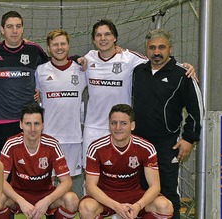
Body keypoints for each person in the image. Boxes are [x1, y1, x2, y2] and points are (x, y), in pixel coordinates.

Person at [80, 19, 195, 152]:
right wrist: (75, 58)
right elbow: (69, 66)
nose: (103, 38)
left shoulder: (129, 58)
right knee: (91, 172)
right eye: (98, 35)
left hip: (121, 128)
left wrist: (184, 67)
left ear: (115, 38)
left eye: (107, 34)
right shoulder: (88, 59)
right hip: (93, 129)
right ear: (94, 40)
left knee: (121, 171)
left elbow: (159, 60)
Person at [132, 29, 203, 219]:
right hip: (138, 142)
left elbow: (197, 111)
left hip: (167, 144)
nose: (157, 52)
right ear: (146, 50)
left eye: (161, 47)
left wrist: (189, 139)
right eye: (152, 48)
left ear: (170, 49)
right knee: (139, 191)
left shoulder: (182, 74)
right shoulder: (138, 72)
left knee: (168, 191)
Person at [79, 104, 173, 219]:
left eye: (123, 123)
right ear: (109, 125)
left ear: (132, 125)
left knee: (165, 206)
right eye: (114, 123)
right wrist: (116, 206)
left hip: (134, 196)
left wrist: (138, 206)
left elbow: (155, 186)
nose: (118, 128)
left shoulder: (146, 147)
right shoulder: (96, 148)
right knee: (86, 207)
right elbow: (91, 187)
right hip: (106, 196)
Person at [0, 11, 49, 156]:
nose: (14, 31)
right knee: (4, 169)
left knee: (29, 168)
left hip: (29, 121)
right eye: (10, 27)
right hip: (0, 121)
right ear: (2, 30)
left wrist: (76, 59)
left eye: (18, 26)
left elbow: (53, 68)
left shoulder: (34, 50)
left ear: (23, 29)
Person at [0, 103, 79, 219]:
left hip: (45, 195)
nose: (32, 129)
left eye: (36, 124)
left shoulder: (52, 145)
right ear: (20, 125)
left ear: (43, 125)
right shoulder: (11, 144)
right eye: (28, 124)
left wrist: (46, 201)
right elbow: (0, 180)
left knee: (72, 200)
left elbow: (67, 182)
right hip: (18, 195)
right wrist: (21, 201)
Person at [35, 29, 87, 196]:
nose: (59, 48)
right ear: (49, 48)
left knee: (69, 187)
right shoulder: (40, 71)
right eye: (55, 44)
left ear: (68, 46)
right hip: (48, 138)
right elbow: (35, 96)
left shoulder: (81, 70)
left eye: (63, 44)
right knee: (46, 185)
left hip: (72, 137)